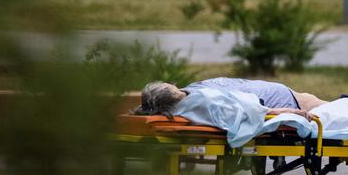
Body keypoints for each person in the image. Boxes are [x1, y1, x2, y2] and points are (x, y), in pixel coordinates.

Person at [135, 77, 326, 121]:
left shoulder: (189, 96)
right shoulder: (203, 102)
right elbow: (250, 109)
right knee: (320, 104)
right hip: (279, 99)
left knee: (322, 103)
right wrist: (288, 112)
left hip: (270, 93)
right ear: (169, 93)